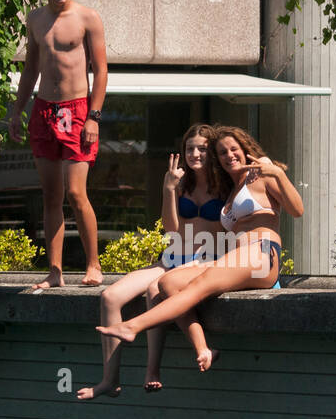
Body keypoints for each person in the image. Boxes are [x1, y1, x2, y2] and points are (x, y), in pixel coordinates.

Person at [95, 126, 303, 361]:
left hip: (263, 252)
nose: (229, 155)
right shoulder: (231, 190)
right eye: (222, 152)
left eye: (234, 149)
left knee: (200, 284)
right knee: (168, 283)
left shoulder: (262, 175)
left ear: (245, 150)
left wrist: (277, 172)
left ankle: (132, 326)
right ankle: (203, 349)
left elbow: (297, 210)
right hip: (236, 258)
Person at [77, 125, 224, 399]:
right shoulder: (180, 182)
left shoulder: (223, 185)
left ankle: (152, 371)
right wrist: (169, 188)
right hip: (173, 257)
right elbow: (170, 229)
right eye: (190, 148)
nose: (195, 154)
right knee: (110, 296)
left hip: (206, 260)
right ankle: (109, 380)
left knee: (155, 289)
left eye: (202, 148)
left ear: (212, 152)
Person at [8, 0, 108, 289]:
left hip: (77, 110)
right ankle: (55, 271)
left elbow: (102, 70)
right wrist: (18, 109)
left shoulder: (87, 18)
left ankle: (93, 265)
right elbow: (31, 68)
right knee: (51, 196)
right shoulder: (35, 19)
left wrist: (93, 116)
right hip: (43, 110)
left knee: (77, 193)